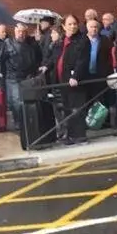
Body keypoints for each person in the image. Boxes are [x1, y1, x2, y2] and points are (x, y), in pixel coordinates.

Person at [41, 15, 90, 145]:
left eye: (75, 23)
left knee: (77, 108)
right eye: (70, 24)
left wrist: (76, 77)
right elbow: (55, 57)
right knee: (67, 108)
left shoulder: (82, 40)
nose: (73, 26)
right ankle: (70, 135)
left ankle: (79, 136)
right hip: (62, 80)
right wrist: (46, 66)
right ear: (64, 26)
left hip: (74, 81)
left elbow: (82, 61)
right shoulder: (63, 40)